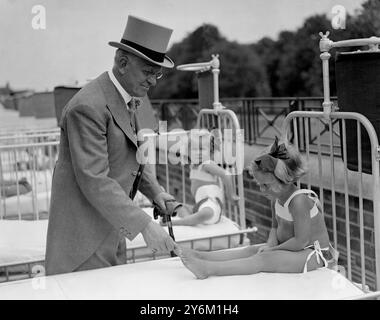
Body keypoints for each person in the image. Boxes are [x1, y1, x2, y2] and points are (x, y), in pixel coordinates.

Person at [45, 15, 178, 275]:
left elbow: (131, 155)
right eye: (148, 72)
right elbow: (94, 178)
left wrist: (156, 192)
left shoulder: (124, 98)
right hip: (83, 241)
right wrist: (145, 226)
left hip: (112, 229)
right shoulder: (87, 107)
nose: (153, 81)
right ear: (122, 62)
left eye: (158, 73)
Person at [175, 137, 338, 279]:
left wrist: (272, 250)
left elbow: (301, 240)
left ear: (285, 179)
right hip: (294, 249)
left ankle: (208, 269)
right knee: (251, 250)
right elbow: (275, 227)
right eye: (260, 185)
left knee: (263, 260)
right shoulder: (277, 198)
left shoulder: (299, 201)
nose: (262, 190)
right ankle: (202, 256)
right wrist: (269, 244)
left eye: (266, 185)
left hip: (314, 254)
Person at [166, 129, 239, 226]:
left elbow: (226, 175)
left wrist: (231, 196)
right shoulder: (194, 166)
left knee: (206, 212)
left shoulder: (207, 164)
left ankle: (177, 223)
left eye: (202, 149)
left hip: (211, 205)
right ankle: (189, 220)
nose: (198, 153)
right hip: (200, 205)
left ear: (210, 151)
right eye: (194, 149)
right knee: (179, 207)